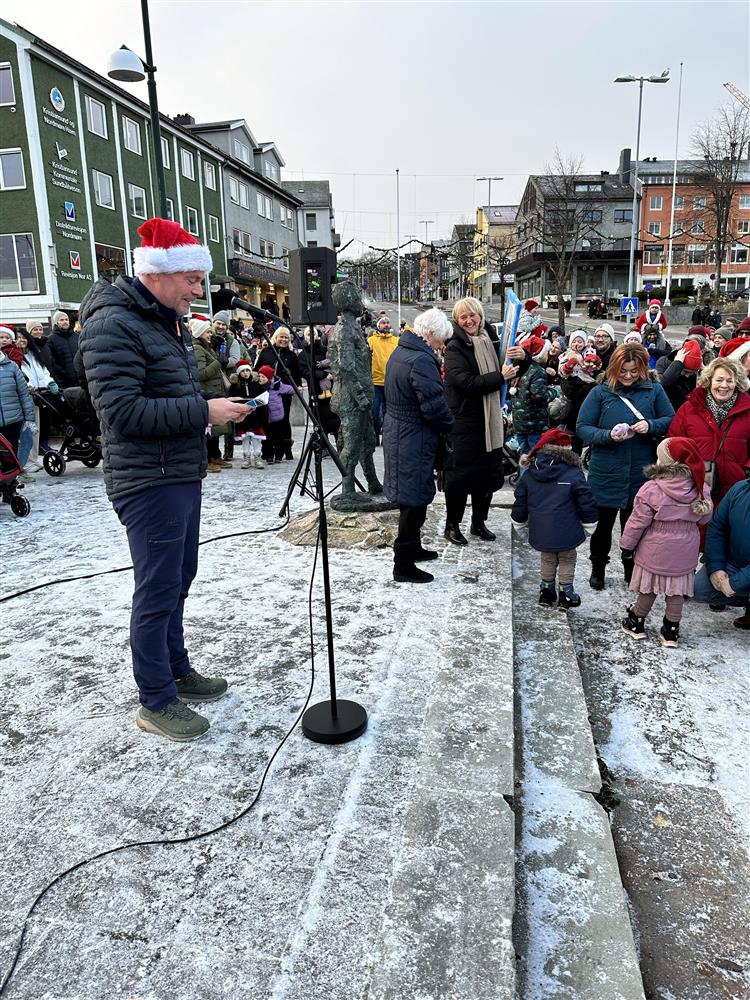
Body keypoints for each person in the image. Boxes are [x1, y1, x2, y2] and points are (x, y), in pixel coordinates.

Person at [79, 217, 249, 742]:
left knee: (179, 579)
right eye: (192, 280)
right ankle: (155, 699)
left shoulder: (161, 321)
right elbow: (123, 411)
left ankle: (176, 669)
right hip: (147, 481)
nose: (199, 291)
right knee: (156, 591)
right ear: (158, 274)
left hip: (176, 472)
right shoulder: (114, 325)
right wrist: (204, 411)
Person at [577, 343, 674, 590]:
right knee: (603, 527)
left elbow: (670, 419)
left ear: (643, 368)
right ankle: (598, 567)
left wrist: (650, 426)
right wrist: (608, 435)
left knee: (637, 526)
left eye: (634, 371)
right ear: (614, 369)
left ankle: (631, 569)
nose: (629, 376)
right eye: (623, 371)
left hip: (640, 472)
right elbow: (583, 427)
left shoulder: (654, 390)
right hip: (606, 471)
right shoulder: (600, 392)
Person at [383, 308, 455, 583]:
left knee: (414, 496)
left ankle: (412, 548)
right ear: (431, 334)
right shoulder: (421, 360)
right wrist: (451, 424)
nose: (442, 346)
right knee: (413, 501)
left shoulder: (403, 351)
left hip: (403, 433)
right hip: (412, 436)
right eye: (442, 340)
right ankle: (402, 564)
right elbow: (433, 405)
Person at [620, 437, 713, 648]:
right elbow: (705, 518)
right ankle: (671, 631)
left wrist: (627, 545)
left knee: (649, 588)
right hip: (685, 549)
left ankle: (636, 622)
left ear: (664, 462)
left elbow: (637, 522)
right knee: (676, 591)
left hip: (655, 549)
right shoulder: (701, 488)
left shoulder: (651, 488)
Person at [442, 296, 520, 545]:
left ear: (480, 316)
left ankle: (478, 523)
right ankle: (452, 526)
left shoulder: (491, 339)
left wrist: (522, 357)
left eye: (472, 315)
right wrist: (499, 376)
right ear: (457, 321)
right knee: (460, 480)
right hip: (465, 424)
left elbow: (511, 372)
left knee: (486, 478)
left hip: (490, 422)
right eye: (463, 317)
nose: (469, 320)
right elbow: (465, 383)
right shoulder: (454, 347)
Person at [511, 428, 598, 609]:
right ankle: (566, 593)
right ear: (567, 450)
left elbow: (521, 501)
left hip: (541, 528)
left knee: (547, 557)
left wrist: (519, 522)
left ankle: (546, 591)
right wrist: (589, 523)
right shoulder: (573, 472)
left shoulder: (530, 473)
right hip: (568, 528)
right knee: (567, 558)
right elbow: (586, 499)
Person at [668, 357, 750, 501]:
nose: (724, 385)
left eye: (729, 381)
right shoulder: (689, 408)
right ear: (709, 381)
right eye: (719, 380)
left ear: (737, 383)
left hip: (735, 491)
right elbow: (674, 443)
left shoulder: (748, 410)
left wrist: (746, 471)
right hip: (695, 488)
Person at [693, 479, 750, 629]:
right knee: (698, 588)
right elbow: (718, 526)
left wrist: (736, 583)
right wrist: (716, 568)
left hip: (744, 575)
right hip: (736, 562)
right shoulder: (740, 488)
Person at [254, 326, 301, 460]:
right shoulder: (266, 352)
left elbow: (296, 374)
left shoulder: (291, 355)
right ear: (276, 337)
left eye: (286, 337)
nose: (284, 339)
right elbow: (257, 370)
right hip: (266, 392)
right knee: (266, 420)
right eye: (281, 336)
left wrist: (295, 387)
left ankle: (285, 449)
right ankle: (268, 450)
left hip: (283, 393)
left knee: (283, 421)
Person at [191, 318, 231, 473]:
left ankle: (215, 455)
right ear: (200, 333)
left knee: (215, 429)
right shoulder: (198, 349)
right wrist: (218, 363)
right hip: (206, 391)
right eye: (207, 331)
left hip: (214, 390)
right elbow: (200, 374)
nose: (210, 334)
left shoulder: (206, 347)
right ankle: (207, 460)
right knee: (208, 429)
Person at [511, 335, 554, 461]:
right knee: (535, 455)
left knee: (524, 454)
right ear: (539, 354)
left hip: (519, 422)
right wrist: (554, 392)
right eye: (546, 351)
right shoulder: (538, 371)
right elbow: (539, 396)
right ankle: (533, 478)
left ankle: (524, 476)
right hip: (535, 423)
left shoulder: (520, 368)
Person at [367, 315, 399, 445]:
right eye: (383, 323)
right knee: (375, 412)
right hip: (375, 382)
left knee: (389, 413)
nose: (386, 324)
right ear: (378, 325)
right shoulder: (371, 340)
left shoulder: (396, 341)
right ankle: (375, 437)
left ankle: (387, 437)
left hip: (391, 382)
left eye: (387, 322)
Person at [0, 344, 35, 457]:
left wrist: (29, 419)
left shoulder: (12, 366)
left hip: (13, 421)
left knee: (11, 457)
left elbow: (24, 394)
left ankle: (13, 474)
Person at [257, 364, 295, 463]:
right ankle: (269, 455)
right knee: (267, 438)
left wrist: (296, 389)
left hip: (277, 416)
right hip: (265, 417)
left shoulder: (277, 386)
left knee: (279, 437)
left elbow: (289, 389)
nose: (260, 378)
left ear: (269, 378)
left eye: (263, 377)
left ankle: (279, 454)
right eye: (259, 376)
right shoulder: (258, 387)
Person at [655, 336, 703, 411]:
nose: (687, 376)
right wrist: (677, 364)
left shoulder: (691, 372)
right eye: (685, 371)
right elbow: (662, 385)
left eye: (691, 373)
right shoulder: (663, 362)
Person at [47, 310, 80, 389]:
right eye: (61, 320)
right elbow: (52, 361)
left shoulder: (77, 337)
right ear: (56, 322)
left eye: (66, 319)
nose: (65, 322)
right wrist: (62, 373)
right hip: (64, 382)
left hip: (80, 379)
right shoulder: (50, 340)